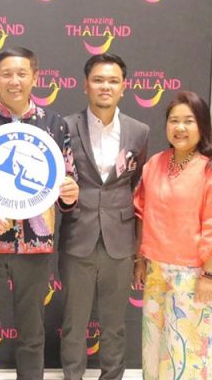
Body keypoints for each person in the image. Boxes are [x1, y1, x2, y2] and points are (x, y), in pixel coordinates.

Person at [0, 47, 79, 380]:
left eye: (22, 73)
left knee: (32, 331)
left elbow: (66, 176)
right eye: (6, 74)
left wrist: (69, 194)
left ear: (35, 77)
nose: (14, 81)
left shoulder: (54, 125)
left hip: (35, 243)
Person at [133, 90, 212, 380]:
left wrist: (210, 274)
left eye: (188, 121)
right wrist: (139, 259)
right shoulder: (155, 163)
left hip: (194, 274)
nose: (180, 128)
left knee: (187, 354)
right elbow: (142, 213)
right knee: (154, 347)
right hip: (155, 270)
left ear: (202, 125)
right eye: (174, 120)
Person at [59, 53, 149, 380]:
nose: (105, 86)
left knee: (114, 324)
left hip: (120, 239)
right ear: (85, 85)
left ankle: (112, 375)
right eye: (98, 80)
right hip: (77, 234)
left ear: (124, 87)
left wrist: (139, 249)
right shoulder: (65, 126)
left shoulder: (139, 131)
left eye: (113, 81)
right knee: (74, 322)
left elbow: (137, 185)